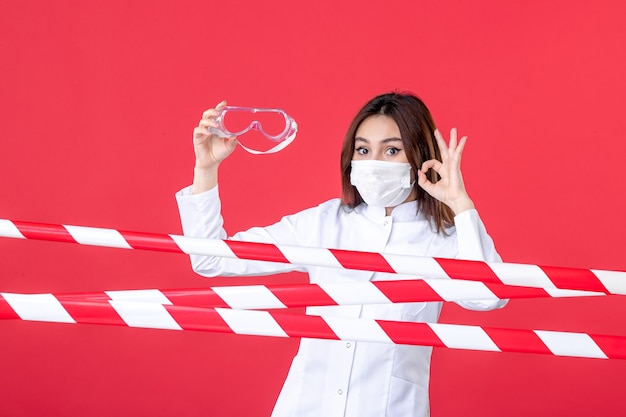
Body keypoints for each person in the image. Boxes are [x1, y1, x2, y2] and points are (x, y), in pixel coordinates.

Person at [176, 92, 507, 417]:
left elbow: (488, 297)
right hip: (305, 406)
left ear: (420, 157)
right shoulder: (324, 223)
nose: (373, 162)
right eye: (363, 150)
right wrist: (205, 168)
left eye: (391, 150)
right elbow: (212, 259)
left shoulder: (445, 239)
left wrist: (460, 204)